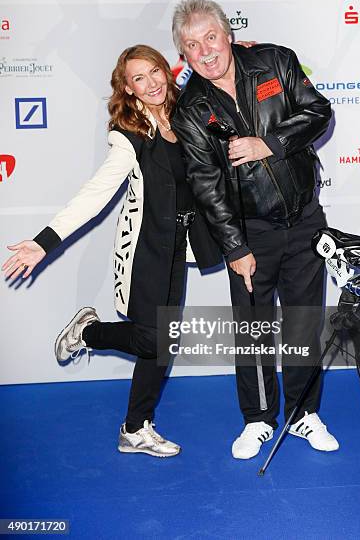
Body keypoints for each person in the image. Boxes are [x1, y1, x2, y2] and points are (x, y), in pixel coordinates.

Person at [2, 44, 221, 458]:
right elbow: (95, 195)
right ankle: (88, 332)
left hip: (178, 245)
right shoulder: (129, 137)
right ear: (128, 88)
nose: (152, 82)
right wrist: (43, 242)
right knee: (153, 338)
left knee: (163, 341)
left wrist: (243, 50)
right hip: (145, 250)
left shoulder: (184, 114)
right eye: (139, 78)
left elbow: (213, 72)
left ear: (166, 71)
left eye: (155, 71)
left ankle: (135, 428)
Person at [171, 0, 339, 459]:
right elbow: (207, 186)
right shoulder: (190, 110)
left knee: (304, 324)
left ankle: (304, 414)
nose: (205, 52)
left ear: (227, 34)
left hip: (305, 220)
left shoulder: (275, 62)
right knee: (253, 330)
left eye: (210, 38)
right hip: (249, 235)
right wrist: (234, 247)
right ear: (183, 55)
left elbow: (319, 112)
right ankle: (259, 419)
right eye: (192, 45)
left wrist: (270, 143)